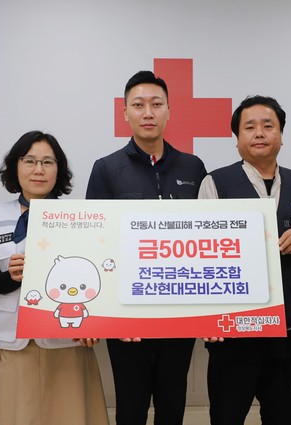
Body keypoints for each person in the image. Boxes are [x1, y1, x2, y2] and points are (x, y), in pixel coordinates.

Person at [86, 70, 207, 425]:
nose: (148, 112)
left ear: (169, 110)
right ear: (125, 113)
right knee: (130, 407)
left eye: (156, 104)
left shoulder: (193, 167)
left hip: (179, 310)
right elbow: (96, 242)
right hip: (127, 313)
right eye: (138, 105)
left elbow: (206, 239)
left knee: (173, 404)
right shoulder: (106, 169)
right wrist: (108, 313)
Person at [198, 95, 291, 425]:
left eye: (268, 126)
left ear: (281, 135)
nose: (259, 133)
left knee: (282, 413)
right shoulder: (215, 183)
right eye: (250, 127)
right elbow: (201, 251)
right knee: (227, 415)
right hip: (233, 329)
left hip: (287, 324)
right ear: (237, 138)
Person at [0, 131, 109, 425]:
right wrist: (11, 277)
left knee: (70, 416)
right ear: (15, 167)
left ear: (58, 170)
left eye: (47, 162)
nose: (38, 169)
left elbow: (97, 276)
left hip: (67, 338)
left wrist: (94, 324)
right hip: (15, 338)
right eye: (30, 161)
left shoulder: (80, 218)